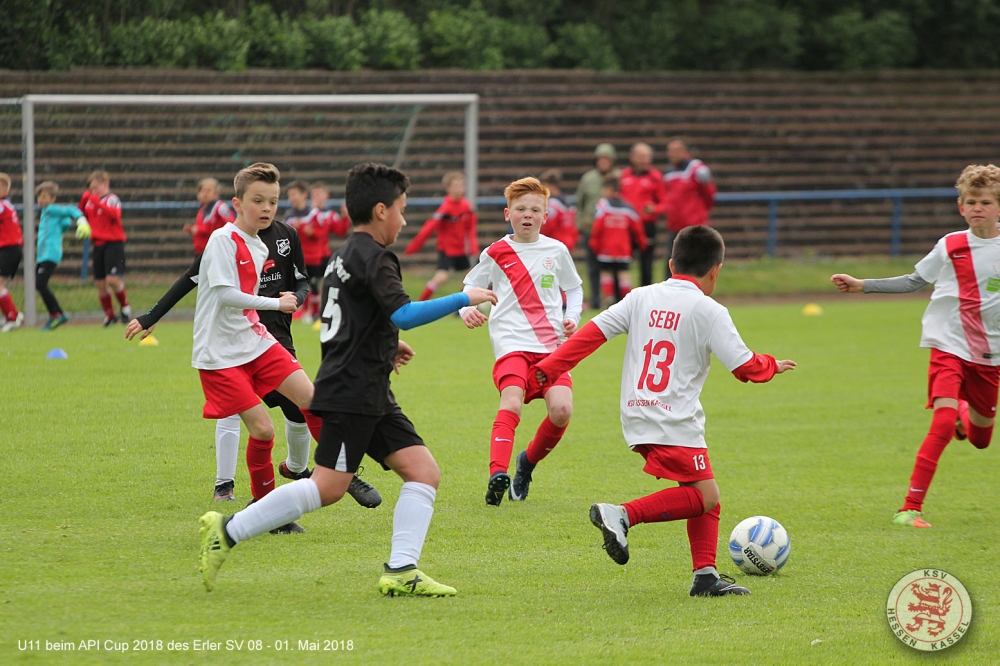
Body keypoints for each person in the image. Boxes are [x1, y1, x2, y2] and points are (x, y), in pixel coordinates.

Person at [198, 161, 496, 597]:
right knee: (328, 488)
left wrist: (387, 344)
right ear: (381, 210)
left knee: (423, 471)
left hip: (369, 389)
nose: (404, 220)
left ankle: (401, 570)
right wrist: (463, 297)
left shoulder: (343, 255)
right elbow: (404, 313)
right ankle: (227, 531)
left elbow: (351, 318)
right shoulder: (376, 257)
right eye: (401, 210)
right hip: (352, 394)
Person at [532, 225, 796, 597]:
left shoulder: (640, 297)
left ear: (672, 264)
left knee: (704, 491)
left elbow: (593, 334)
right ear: (716, 271)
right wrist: (771, 364)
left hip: (636, 412)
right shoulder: (710, 310)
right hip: (673, 418)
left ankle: (705, 576)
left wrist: (548, 368)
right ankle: (622, 514)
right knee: (705, 497)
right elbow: (744, 367)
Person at [125, 177, 380, 513]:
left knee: (313, 402)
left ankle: (342, 473)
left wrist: (291, 300)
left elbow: (294, 282)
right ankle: (251, 502)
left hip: (258, 337)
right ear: (238, 203)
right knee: (261, 429)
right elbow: (217, 291)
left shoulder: (265, 244)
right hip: (220, 352)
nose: (266, 208)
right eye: (258, 200)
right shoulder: (221, 240)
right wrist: (152, 315)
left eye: (272, 201)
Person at [831, 164, 1000, 529]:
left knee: (981, 439)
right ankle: (909, 509)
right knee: (942, 421)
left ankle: (964, 411)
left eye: (986, 202)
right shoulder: (950, 245)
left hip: (989, 356)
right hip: (948, 344)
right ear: (961, 206)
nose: (978, 208)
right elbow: (913, 281)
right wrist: (862, 285)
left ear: (998, 207)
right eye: (971, 202)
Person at [461, 176, 584, 505]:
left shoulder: (556, 250)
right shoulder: (496, 251)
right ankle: (497, 475)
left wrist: (573, 317)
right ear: (508, 214)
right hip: (512, 344)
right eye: (520, 209)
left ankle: (526, 463)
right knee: (511, 402)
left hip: (551, 347)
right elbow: (470, 286)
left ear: (545, 216)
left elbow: (574, 288)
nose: (527, 214)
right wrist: (466, 310)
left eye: (535, 210)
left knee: (561, 410)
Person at [404, 171, 478, 301]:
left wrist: (473, 246)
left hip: (460, 249)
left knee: (470, 279)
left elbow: (471, 228)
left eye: (461, 185)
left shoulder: (467, 207)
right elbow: (429, 227)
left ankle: (460, 305)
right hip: (447, 249)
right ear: (448, 188)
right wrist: (415, 246)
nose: (459, 189)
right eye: (455, 186)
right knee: (441, 277)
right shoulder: (445, 208)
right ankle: (420, 303)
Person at [34, 181, 91, 330]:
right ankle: (59, 314)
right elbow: (65, 223)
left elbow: (70, 210)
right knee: (38, 283)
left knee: (40, 283)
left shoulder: (51, 209)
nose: (41, 200)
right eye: (39, 196)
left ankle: (55, 315)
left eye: (44, 196)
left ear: (53, 198)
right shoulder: (46, 212)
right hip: (43, 255)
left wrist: (81, 220)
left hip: (50, 253)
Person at [79, 170, 131, 327]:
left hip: (113, 243)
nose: (93, 191)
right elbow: (82, 215)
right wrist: (83, 202)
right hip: (98, 244)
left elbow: (115, 215)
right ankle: (110, 315)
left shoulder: (112, 199)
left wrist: (95, 202)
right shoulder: (91, 201)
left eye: (96, 187)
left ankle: (125, 307)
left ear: (105, 184)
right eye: (91, 188)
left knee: (112, 279)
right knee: (100, 283)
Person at [662, 138, 716, 279]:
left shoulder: (697, 169)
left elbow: (709, 193)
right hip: (675, 226)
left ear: (684, 151)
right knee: (673, 263)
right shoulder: (669, 171)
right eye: (670, 151)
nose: (671, 154)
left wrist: (697, 214)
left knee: (696, 263)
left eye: (675, 150)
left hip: (693, 226)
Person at [590, 173, 647, 304]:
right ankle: (627, 300)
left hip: (606, 246)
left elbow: (597, 227)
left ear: (609, 189)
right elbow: (637, 228)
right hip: (623, 248)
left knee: (606, 272)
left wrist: (594, 243)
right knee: (623, 272)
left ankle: (609, 297)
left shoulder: (602, 205)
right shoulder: (628, 207)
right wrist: (641, 243)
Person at [576, 143, 620, 309]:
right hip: (591, 228)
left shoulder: (619, 176)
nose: (603, 162)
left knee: (615, 267)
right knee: (593, 267)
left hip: (613, 231)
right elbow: (580, 203)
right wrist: (580, 224)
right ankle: (595, 300)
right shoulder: (588, 179)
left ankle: (617, 300)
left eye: (606, 159)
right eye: (600, 159)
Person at [619, 143, 666, 287]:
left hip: (646, 225)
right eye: (641, 156)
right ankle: (621, 293)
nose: (644, 160)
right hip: (626, 226)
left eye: (647, 156)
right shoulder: (623, 176)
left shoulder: (655, 177)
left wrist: (654, 209)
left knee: (647, 262)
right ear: (632, 157)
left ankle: (646, 291)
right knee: (622, 261)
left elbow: (664, 203)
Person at [305, 181, 350, 327]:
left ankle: (328, 311)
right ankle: (312, 313)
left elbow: (340, 231)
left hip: (324, 254)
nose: (317, 197)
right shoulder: (308, 214)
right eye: (314, 195)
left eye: (319, 194)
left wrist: (345, 217)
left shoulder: (330, 215)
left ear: (326, 195)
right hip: (309, 255)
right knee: (312, 283)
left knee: (331, 282)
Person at [183, 178, 235, 257]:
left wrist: (199, 230)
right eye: (202, 191)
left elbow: (231, 226)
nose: (204, 194)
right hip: (202, 253)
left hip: (216, 253)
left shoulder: (220, 208)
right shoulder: (202, 210)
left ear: (216, 194)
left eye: (208, 191)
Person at [0, 173, 24, 333]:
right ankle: (14, 314)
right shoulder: (6, 204)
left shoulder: (2, 205)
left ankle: (12, 317)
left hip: (9, 249)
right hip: (9, 248)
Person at [539, 169, 578, 252]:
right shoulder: (568, 204)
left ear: (552, 186)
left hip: (553, 245)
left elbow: (547, 227)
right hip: (568, 244)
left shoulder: (552, 206)